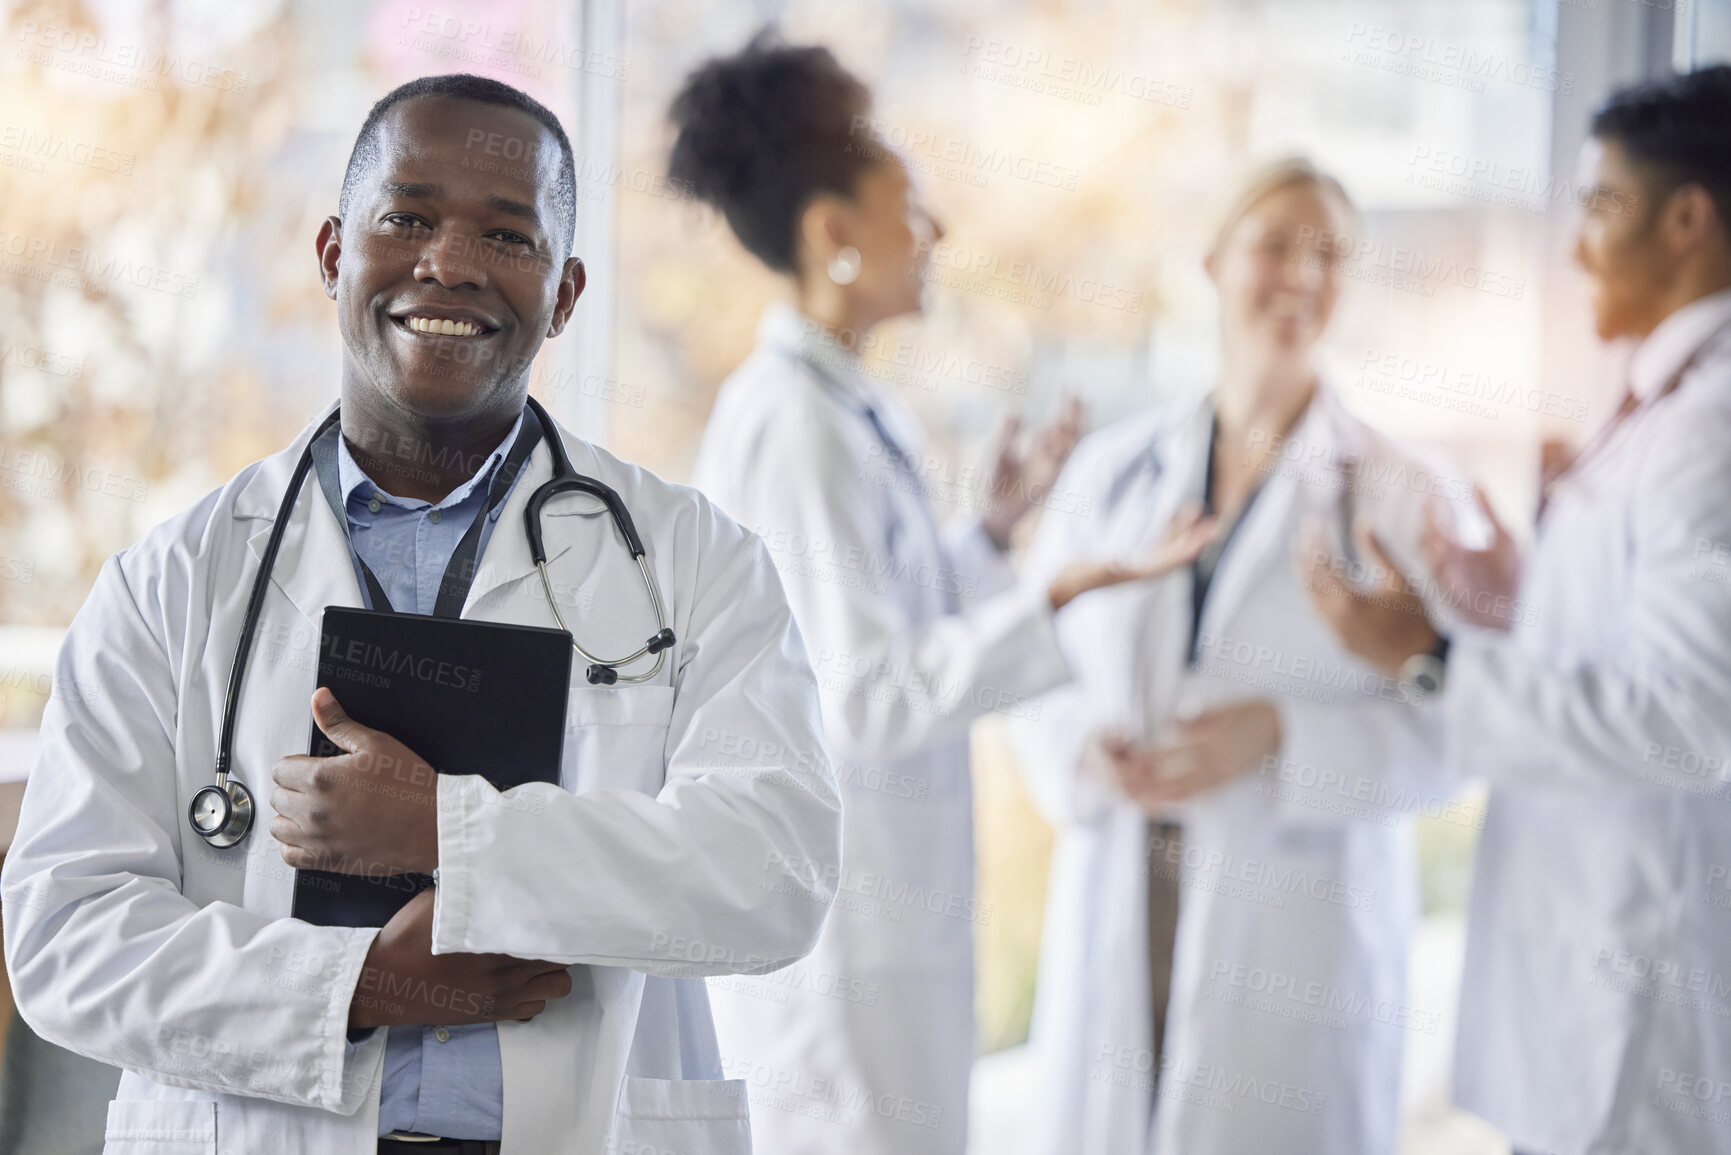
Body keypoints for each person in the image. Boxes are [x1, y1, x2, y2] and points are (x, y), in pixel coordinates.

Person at [0, 74, 841, 1155]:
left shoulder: (696, 563)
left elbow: (775, 874)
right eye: (405, 218)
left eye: (508, 234)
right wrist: (359, 986)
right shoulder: (172, 583)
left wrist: (449, 831)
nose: (450, 263)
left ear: (566, 293)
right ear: (331, 253)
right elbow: (65, 941)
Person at [671, 36, 1212, 1155]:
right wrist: (1058, 592)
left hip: (887, 925)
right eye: (910, 208)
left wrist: (994, 538)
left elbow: (881, 630)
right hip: (839, 948)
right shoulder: (796, 427)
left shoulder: (846, 409)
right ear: (834, 238)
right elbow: (866, 697)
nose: (939, 234)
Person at [1307, 66, 1731, 1155]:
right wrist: (1514, 601)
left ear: (1689, 219)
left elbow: (1689, 722)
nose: (1575, 244)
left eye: (1601, 205)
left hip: (1638, 982)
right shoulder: (1655, 397)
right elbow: (1627, 641)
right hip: (1582, 947)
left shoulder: (1709, 427)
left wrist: (1434, 660)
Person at [1014, 159, 1461, 1154]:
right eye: (1275, 244)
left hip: (1298, 929)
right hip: (1126, 889)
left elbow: (1461, 723)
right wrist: (1086, 749)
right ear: (1215, 264)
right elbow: (1029, 661)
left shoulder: (1398, 496)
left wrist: (1281, 734)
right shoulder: (1112, 474)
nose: (1302, 273)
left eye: (1331, 254)